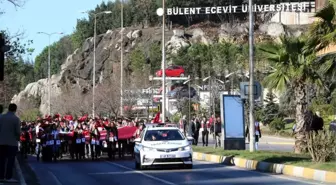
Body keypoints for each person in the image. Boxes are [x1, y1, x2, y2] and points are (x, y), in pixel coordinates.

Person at [0, 104, 20, 182]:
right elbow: (18, 132)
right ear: (15, 109)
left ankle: (1, 176)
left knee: (1, 160)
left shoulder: (1, 117)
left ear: (8, 108)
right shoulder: (16, 119)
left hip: (1, 142)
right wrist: (18, 138)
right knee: (10, 161)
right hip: (12, 142)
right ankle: (8, 177)